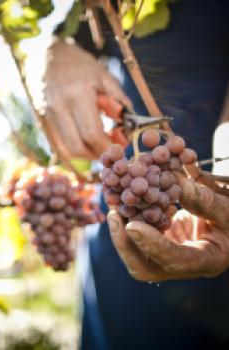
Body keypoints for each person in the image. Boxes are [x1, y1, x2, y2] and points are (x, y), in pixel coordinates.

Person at [40, 1, 229, 349]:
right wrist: (58, 54)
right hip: (125, 203)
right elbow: (75, 34)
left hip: (214, 205)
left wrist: (226, 177)